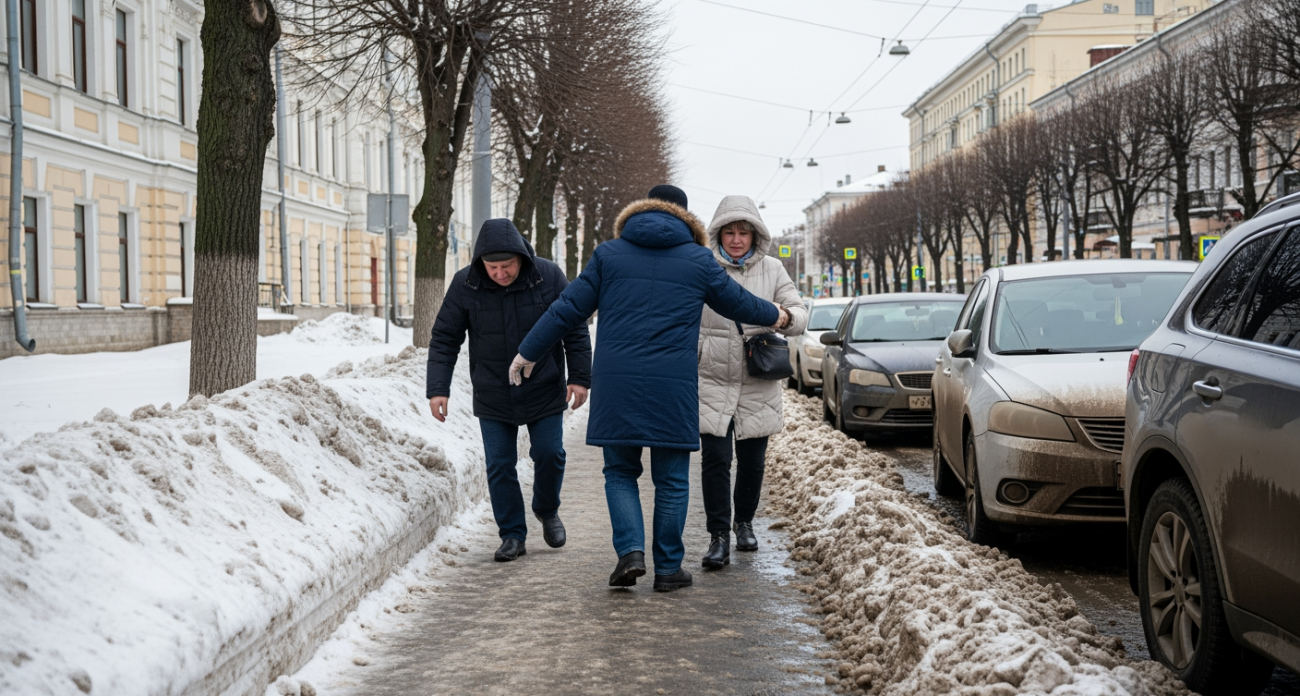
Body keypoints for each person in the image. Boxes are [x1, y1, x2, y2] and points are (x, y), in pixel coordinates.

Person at [507, 185, 791, 592]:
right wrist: (777, 315)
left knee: (620, 471)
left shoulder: (608, 254)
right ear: (686, 219)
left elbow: (568, 308)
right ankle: (669, 569)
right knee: (672, 479)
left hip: (617, 383)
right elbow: (739, 303)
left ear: (640, 212)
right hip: (672, 386)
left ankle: (630, 553)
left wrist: (528, 351)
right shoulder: (698, 260)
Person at [426, 218, 592, 562]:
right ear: (480, 264)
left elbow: (574, 328)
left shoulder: (548, 277)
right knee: (500, 464)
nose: (500, 273)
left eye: (507, 266)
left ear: (522, 257)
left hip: (543, 385)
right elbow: (445, 338)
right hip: (492, 390)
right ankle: (512, 534)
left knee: (550, 453)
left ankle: (547, 509)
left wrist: (579, 376)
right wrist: (437, 388)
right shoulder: (465, 284)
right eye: (493, 267)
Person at [696, 196, 808, 570]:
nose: (737, 239)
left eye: (744, 232)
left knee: (752, 462)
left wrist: (783, 317)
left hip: (757, 379)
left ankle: (743, 523)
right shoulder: (701, 266)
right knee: (715, 459)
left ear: (755, 235)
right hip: (711, 377)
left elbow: (799, 315)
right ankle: (718, 536)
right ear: (718, 234)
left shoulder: (773, 269)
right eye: (730, 231)